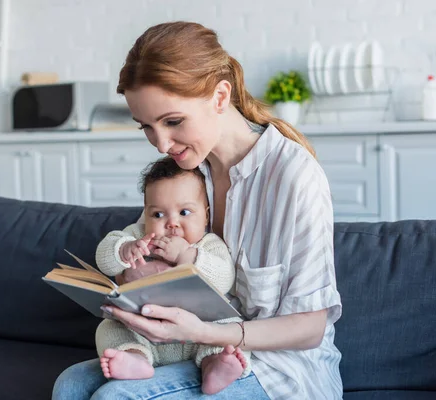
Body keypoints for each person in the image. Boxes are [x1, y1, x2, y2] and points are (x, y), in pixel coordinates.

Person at [53, 21, 342, 400]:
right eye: (147, 127)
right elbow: (141, 250)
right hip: (187, 349)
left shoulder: (293, 176)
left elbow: (310, 328)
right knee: (71, 385)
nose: (161, 144)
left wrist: (197, 332)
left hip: (278, 370)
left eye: (173, 122)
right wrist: (131, 277)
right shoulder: (187, 172)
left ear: (220, 97)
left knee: (116, 397)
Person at [94, 156, 252, 395]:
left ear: (206, 215)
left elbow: (223, 279)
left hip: (199, 334)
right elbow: (104, 257)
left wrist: (187, 256)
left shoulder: (208, 244)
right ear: (145, 214)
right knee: (108, 328)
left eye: (185, 212)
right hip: (144, 332)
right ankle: (134, 359)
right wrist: (124, 250)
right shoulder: (137, 236)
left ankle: (215, 365)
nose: (171, 224)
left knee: (229, 326)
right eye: (158, 215)